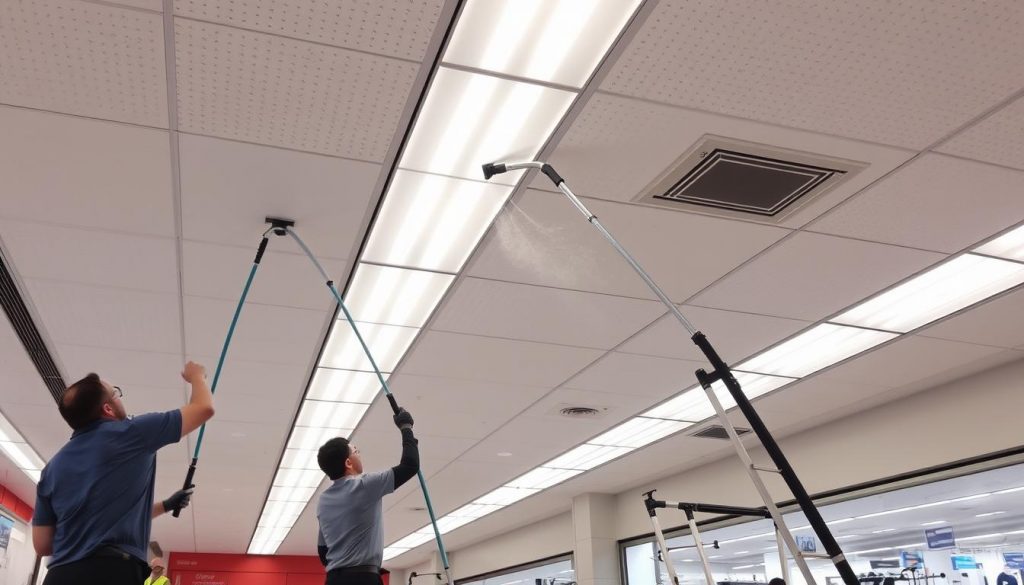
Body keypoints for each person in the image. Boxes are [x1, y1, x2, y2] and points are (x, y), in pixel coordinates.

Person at [32, 361, 216, 585]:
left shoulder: (51, 469)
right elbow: (203, 408)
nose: (119, 398)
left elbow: (42, 545)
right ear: (108, 409)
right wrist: (197, 376)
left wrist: (166, 505)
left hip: (59, 576)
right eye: (115, 393)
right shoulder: (131, 432)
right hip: (112, 573)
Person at [316, 407, 419, 585]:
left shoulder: (323, 501)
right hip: (363, 578)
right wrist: (406, 427)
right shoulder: (364, 485)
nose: (359, 454)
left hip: (333, 579)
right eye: (356, 451)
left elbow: (323, 551)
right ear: (348, 463)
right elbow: (410, 465)